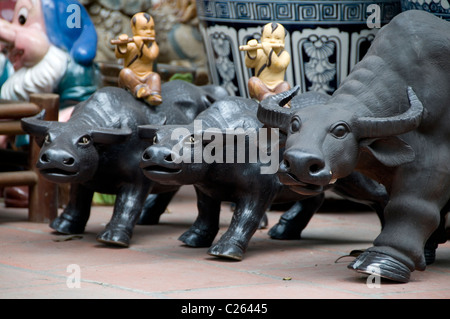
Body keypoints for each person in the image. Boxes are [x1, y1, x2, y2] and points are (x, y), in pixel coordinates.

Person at [114, 12, 162, 106]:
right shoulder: (131, 45)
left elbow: (149, 57)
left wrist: (140, 45)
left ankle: (154, 95)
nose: (149, 32)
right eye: (144, 29)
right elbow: (119, 55)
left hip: (147, 76)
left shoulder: (153, 45)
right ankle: (139, 89)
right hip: (132, 77)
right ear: (134, 29)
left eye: (152, 28)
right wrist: (122, 44)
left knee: (155, 76)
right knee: (125, 72)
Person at [242, 22, 291, 103]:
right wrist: (252, 52)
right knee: (253, 81)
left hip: (278, 85)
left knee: (285, 85)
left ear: (283, 41)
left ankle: (283, 103)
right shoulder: (260, 52)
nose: (272, 41)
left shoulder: (284, 55)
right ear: (261, 39)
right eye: (268, 37)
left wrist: (269, 51)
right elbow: (249, 64)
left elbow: (277, 67)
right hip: (262, 86)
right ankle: (266, 97)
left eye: (277, 38)